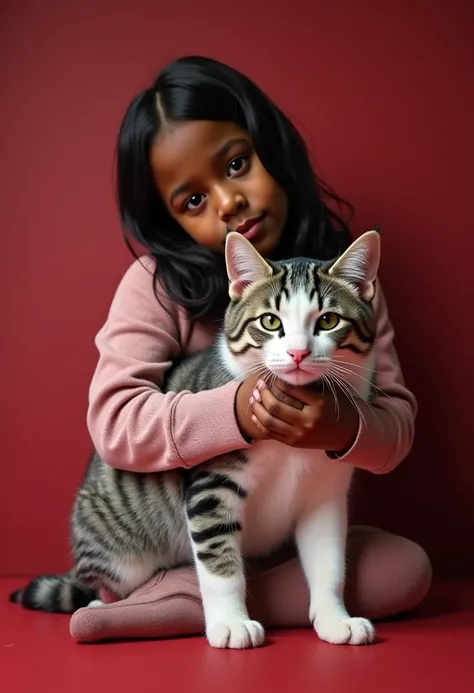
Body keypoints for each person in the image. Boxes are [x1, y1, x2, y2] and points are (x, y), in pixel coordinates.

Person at [71, 55, 432, 642]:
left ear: (274, 148)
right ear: (169, 222)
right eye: (192, 201)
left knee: (406, 570)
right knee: (223, 530)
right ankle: (191, 590)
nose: (227, 203)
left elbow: (395, 428)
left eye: (236, 164)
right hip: (173, 531)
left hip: (279, 542)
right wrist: (234, 412)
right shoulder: (154, 283)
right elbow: (114, 423)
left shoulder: (348, 284)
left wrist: (340, 425)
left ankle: (184, 603)